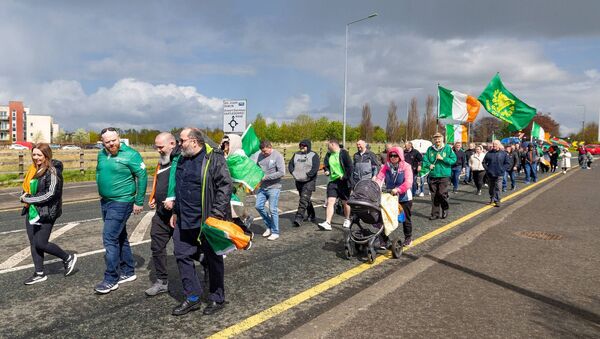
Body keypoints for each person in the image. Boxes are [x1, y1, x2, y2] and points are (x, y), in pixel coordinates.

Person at [170, 127, 232, 316]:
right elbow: (180, 186)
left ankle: (217, 298)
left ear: (194, 141)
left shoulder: (214, 158)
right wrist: (175, 211)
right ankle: (193, 297)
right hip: (184, 218)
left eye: (182, 141)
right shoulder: (182, 158)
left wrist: (215, 214)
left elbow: (225, 186)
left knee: (213, 260)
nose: (179, 144)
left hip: (207, 219)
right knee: (181, 254)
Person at [94, 128, 147, 294]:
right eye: (107, 142)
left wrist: (139, 201)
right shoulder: (101, 154)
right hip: (106, 202)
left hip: (122, 201)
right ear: (102, 142)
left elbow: (142, 176)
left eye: (113, 140)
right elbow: (99, 172)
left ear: (119, 138)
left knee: (109, 238)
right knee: (120, 236)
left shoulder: (131, 154)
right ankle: (128, 271)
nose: (111, 144)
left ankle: (111, 278)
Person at [20, 143, 77, 285]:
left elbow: (50, 194)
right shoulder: (33, 169)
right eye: (34, 154)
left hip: (46, 212)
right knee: (34, 243)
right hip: (32, 211)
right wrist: (25, 195)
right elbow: (29, 187)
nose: (36, 157)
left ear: (46, 155)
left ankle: (67, 258)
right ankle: (39, 273)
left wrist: (28, 199)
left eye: (39, 155)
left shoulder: (52, 171)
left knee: (41, 243)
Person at [145, 132, 180, 296]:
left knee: (186, 249)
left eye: (161, 147)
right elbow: (158, 183)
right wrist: (153, 198)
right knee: (157, 246)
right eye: (156, 146)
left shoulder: (181, 161)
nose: (158, 150)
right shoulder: (162, 163)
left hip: (179, 214)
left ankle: (207, 264)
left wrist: (175, 203)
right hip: (161, 213)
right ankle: (162, 281)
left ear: (172, 144)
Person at [374, 146, 414, 245]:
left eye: (395, 155)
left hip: (404, 197)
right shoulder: (385, 167)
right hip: (389, 197)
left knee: (405, 219)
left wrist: (399, 189)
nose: (393, 157)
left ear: (400, 156)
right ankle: (384, 239)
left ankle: (408, 238)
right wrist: (375, 186)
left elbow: (409, 182)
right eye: (391, 155)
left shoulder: (406, 166)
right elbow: (379, 178)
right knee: (384, 217)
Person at [318, 139, 353, 230]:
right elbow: (326, 165)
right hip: (332, 181)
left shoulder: (343, 153)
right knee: (330, 202)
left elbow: (350, 167)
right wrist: (327, 171)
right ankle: (328, 222)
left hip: (343, 182)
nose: (327, 147)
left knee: (345, 202)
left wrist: (345, 177)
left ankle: (347, 219)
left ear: (333, 144)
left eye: (328, 145)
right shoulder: (329, 154)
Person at [255, 140, 285, 240]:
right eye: (262, 151)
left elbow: (281, 172)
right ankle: (269, 226)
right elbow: (257, 169)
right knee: (258, 206)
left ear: (270, 147)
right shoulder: (260, 155)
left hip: (274, 187)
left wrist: (266, 177)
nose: (263, 154)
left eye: (265, 151)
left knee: (273, 209)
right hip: (263, 187)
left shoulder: (278, 156)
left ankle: (275, 232)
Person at [421, 133, 456, 220]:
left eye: (439, 138)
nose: (437, 140)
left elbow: (453, 160)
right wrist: (429, 165)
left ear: (442, 139)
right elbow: (425, 161)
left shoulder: (447, 148)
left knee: (441, 193)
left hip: (444, 175)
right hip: (433, 175)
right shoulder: (430, 149)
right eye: (435, 139)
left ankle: (445, 208)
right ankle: (435, 214)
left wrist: (443, 159)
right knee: (434, 195)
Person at [289, 139, 320, 227]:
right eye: (300, 145)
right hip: (298, 180)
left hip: (309, 181)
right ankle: (312, 214)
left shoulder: (314, 155)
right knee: (305, 199)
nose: (302, 147)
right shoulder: (296, 154)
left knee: (303, 199)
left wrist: (309, 175)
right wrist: (293, 172)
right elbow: (291, 164)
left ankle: (298, 218)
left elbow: (315, 167)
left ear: (308, 146)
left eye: (304, 146)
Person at [483, 140, 511, 207]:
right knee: (491, 188)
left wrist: (502, 169)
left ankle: (497, 201)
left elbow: (507, 163)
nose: (494, 146)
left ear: (499, 145)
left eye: (495, 144)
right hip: (490, 173)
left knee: (498, 187)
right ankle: (492, 199)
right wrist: (487, 169)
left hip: (499, 174)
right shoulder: (489, 153)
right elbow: (483, 162)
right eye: (493, 145)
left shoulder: (503, 154)